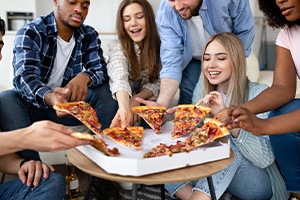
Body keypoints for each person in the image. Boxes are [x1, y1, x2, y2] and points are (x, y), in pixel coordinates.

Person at [164, 33, 288, 200]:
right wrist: (186, 122)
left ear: (235, 61)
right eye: (207, 59)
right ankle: (202, 196)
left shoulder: (260, 94)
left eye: (220, 58)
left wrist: (230, 122)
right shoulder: (203, 88)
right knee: (165, 151)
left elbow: (265, 159)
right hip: (216, 174)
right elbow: (196, 144)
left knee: (224, 148)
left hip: (257, 182)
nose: (211, 65)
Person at [0, 0, 118, 160]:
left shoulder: (88, 34)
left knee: (106, 90)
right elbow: (24, 77)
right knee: (6, 99)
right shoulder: (32, 31)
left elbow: (100, 69)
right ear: (56, 1)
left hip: (69, 108)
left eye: (85, 5)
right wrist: (51, 98)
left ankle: (104, 162)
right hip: (35, 107)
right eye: (72, 2)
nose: (79, 10)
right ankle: (34, 171)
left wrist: (85, 77)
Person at [0, 17, 90, 200]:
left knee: (52, 182)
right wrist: (26, 137)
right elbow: (24, 80)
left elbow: (2, 155)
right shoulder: (31, 38)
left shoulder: (86, 38)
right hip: (40, 104)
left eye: (0, 46)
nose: (0, 55)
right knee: (7, 98)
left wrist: (23, 164)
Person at [224, 0, 300, 199]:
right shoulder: (287, 35)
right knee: (282, 111)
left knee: (277, 122)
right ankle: (296, 192)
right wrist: (241, 111)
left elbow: (268, 125)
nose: (279, 0)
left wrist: (264, 126)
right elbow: (283, 88)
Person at [136, 0, 255, 108]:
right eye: (172, 0)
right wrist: (161, 104)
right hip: (191, 57)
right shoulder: (166, 12)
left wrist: (230, 65)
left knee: (233, 95)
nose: (177, 7)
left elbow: (244, 34)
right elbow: (171, 62)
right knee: (189, 95)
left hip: (228, 55)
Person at [107, 0, 161, 128]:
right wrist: (126, 107)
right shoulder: (118, 47)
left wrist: (136, 100)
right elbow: (120, 78)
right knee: (112, 105)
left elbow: (156, 82)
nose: (133, 23)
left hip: (139, 96)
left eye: (140, 17)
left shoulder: (159, 47)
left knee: (153, 106)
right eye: (126, 19)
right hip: (119, 97)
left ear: (149, 19)